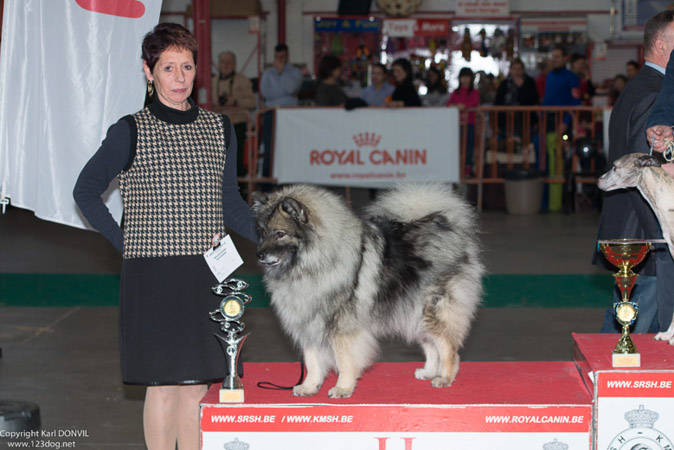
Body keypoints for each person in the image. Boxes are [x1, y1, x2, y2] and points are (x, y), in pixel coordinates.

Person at [73, 23, 257, 450]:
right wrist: (126, 243)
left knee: (196, 386)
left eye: (187, 67)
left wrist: (271, 237)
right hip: (152, 276)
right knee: (162, 386)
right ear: (148, 71)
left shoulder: (219, 128)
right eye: (168, 68)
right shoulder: (130, 130)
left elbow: (229, 202)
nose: (179, 78)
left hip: (209, 273)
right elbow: (85, 190)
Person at [595, 10, 674, 334]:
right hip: (646, 232)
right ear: (660, 43)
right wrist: (662, 237)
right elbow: (647, 172)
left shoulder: (638, 86)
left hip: (634, 228)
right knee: (629, 329)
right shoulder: (654, 94)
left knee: (626, 323)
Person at [259, 44, 302, 189]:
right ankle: (266, 188)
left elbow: (291, 87)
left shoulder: (295, 72)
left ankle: (289, 186)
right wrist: (285, 93)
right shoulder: (267, 73)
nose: (280, 60)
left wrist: (281, 72)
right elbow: (266, 93)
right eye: (277, 57)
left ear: (287, 57)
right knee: (269, 151)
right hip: (271, 113)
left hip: (290, 116)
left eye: (283, 57)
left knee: (290, 150)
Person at [211, 51, 256, 179]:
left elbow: (252, 102)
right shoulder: (212, 82)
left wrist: (235, 102)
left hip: (237, 125)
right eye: (223, 62)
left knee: (236, 160)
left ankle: (238, 189)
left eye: (229, 62)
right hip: (217, 126)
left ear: (235, 64)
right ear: (219, 64)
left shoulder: (242, 80)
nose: (226, 65)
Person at [446, 67, 480, 175]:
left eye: (467, 77)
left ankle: (467, 166)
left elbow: (475, 103)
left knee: (468, 146)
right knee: (456, 146)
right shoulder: (456, 92)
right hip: (456, 124)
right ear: (459, 78)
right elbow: (448, 105)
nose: (465, 80)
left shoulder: (474, 92)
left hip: (469, 123)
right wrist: (455, 106)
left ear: (471, 78)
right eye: (463, 77)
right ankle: (455, 166)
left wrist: (463, 106)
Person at [494, 57, 539, 137]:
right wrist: (497, 124)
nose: (517, 72)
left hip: (526, 121)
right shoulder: (504, 84)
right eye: (514, 69)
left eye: (519, 69)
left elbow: (534, 100)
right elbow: (498, 103)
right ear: (510, 70)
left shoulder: (529, 82)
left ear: (523, 70)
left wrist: (522, 87)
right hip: (507, 121)